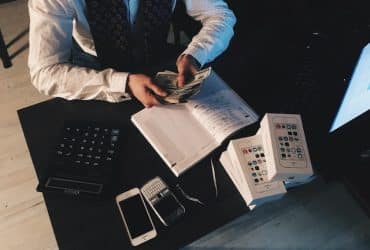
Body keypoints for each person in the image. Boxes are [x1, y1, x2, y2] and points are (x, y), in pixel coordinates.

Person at [28, 0, 236, 107]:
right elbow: (44, 72)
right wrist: (124, 83)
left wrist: (195, 54)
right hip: (95, 70)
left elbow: (221, 16)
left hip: (157, 57)